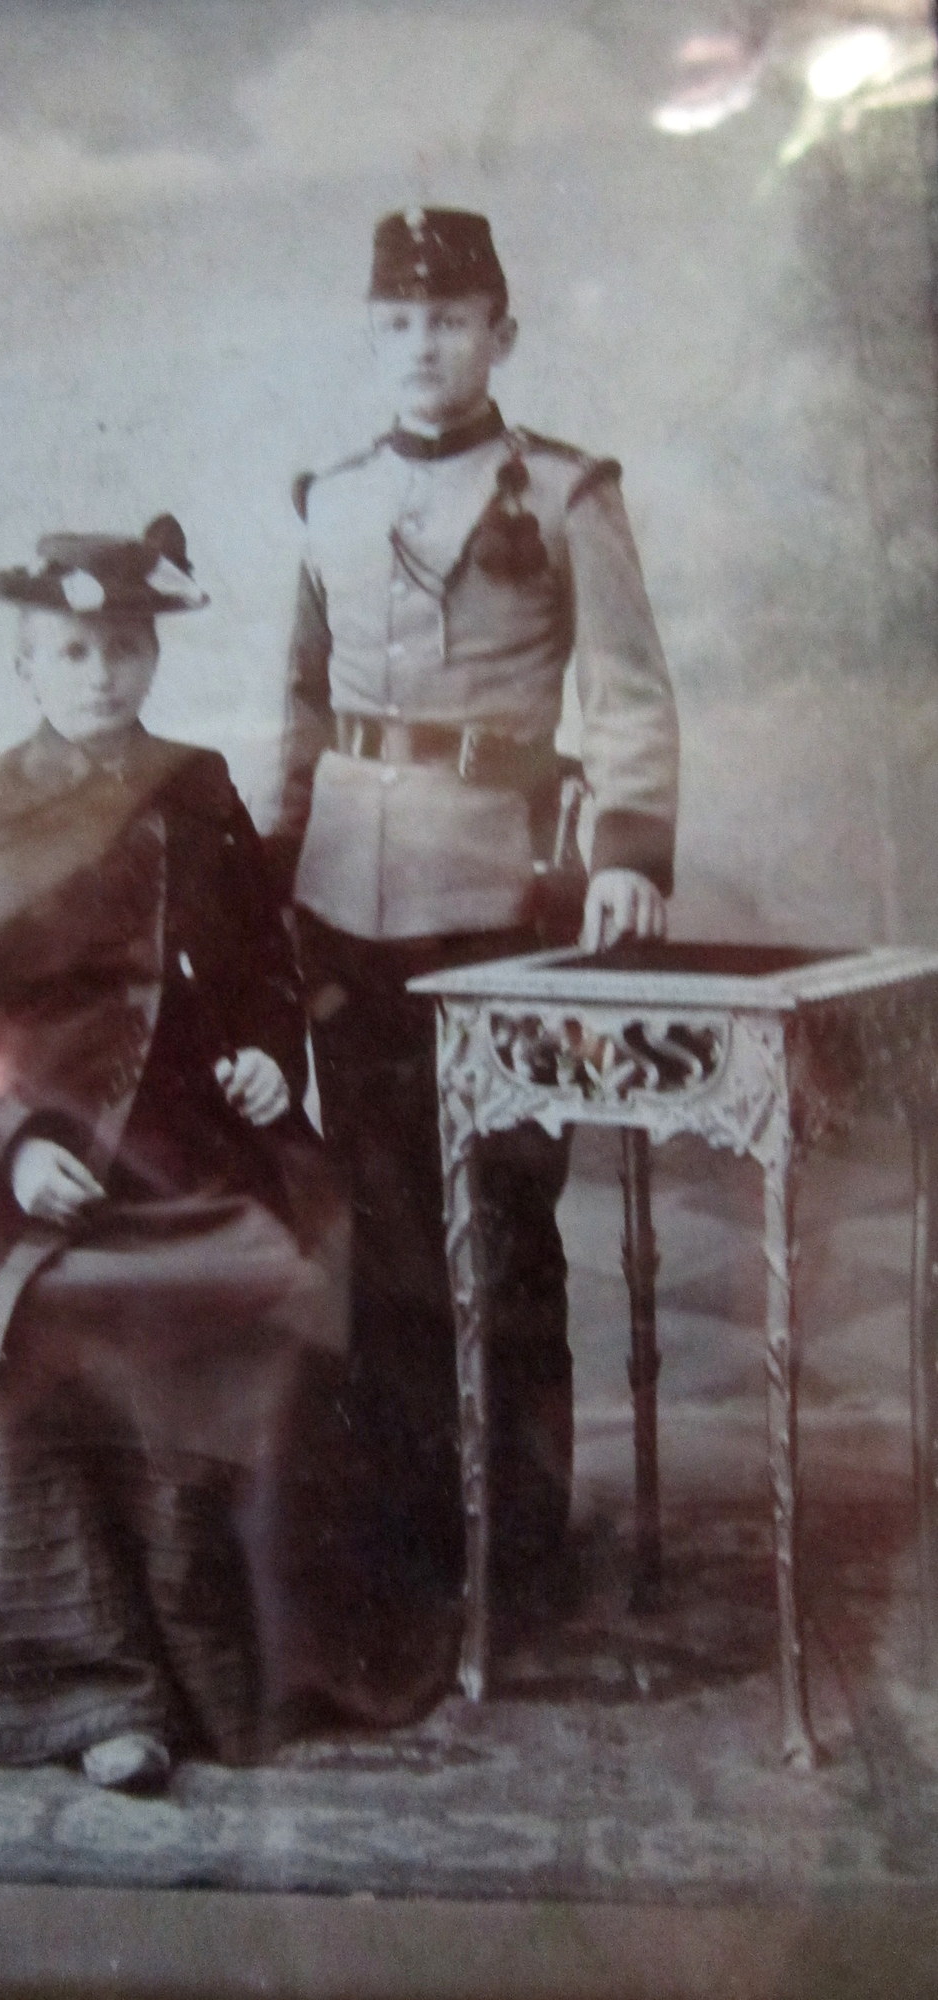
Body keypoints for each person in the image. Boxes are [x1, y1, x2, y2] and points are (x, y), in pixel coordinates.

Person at [0, 518, 358, 1793]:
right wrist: (15, 1145)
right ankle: (89, 1682)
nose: (101, 673)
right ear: (27, 663)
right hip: (2, 1155)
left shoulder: (197, 788)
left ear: (153, 656)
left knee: (259, 1271)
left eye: (124, 648)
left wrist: (268, 1053)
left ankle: (197, 1645)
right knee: (43, 1308)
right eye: (72, 651)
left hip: (175, 1136)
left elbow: (260, 968)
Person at [266, 208, 680, 1629]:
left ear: (500, 333)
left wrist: (629, 851)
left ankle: (520, 1543)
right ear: (370, 334)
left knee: (501, 1211)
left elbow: (627, 691)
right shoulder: (328, 499)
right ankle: (401, 1538)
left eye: (448, 321)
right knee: (375, 1217)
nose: (421, 345)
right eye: (396, 322)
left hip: (501, 893)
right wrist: (274, 865)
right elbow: (303, 704)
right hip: (343, 896)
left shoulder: (563, 493)